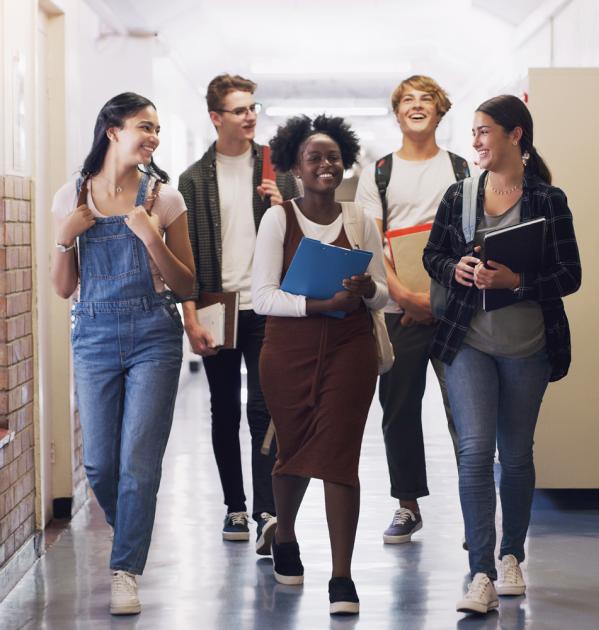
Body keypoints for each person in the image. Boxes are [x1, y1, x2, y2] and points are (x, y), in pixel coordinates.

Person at [423, 94, 581, 614]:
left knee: (514, 455)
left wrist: (518, 281)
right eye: (473, 132)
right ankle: (481, 572)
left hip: (528, 346)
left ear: (516, 136)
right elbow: (433, 255)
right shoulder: (459, 196)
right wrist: (456, 270)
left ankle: (511, 556)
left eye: (485, 131)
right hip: (467, 342)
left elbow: (570, 275)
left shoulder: (547, 200)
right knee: (473, 452)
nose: (476, 141)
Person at [50, 92, 195, 615]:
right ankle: (131, 526)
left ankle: (125, 570)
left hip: (154, 333)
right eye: (143, 126)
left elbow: (187, 283)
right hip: (92, 334)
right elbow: (64, 288)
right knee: (100, 465)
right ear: (112, 130)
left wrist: (152, 237)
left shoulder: (166, 198)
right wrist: (65, 240)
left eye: (157, 127)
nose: (153, 136)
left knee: (138, 464)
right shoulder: (72, 194)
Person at [251, 115, 388, 615]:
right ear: (295, 168)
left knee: (339, 453)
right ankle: (284, 535)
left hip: (350, 350)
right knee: (292, 448)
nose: (326, 164)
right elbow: (262, 297)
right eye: (315, 158)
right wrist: (317, 305)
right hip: (288, 352)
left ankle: (342, 576)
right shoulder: (277, 219)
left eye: (333, 156)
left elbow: (384, 297)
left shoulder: (359, 221)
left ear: (345, 162)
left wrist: (369, 290)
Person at [178, 74, 300, 553]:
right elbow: (184, 257)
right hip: (215, 303)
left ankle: (268, 511)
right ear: (215, 117)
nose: (250, 116)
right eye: (238, 109)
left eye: (253, 107)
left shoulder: (279, 169)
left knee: (264, 409)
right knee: (223, 408)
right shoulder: (192, 179)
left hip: (267, 303)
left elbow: (306, 235)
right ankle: (235, 505)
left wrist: (283, 205)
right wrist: (189, 314)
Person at [354, 75, 469, 543]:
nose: (417, 106)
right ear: (397, 113)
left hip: (456, 310)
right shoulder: (377, 173)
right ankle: (407, 505)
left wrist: (443, 299)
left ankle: (474, 508)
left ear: (441, 112)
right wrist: (402, 295)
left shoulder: (463, 170)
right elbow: (372, 241)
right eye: (408, 100)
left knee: (465, 411)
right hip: (399, 310)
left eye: (427, 100)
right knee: (398, 408)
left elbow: (471, 236)